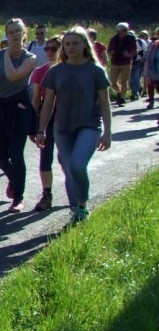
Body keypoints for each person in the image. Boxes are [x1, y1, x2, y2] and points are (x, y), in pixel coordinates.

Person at [36, 26, 112, 225]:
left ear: (85, 45)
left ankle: (82, 205)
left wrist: (108, 133)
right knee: (69, 168)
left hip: (89, 125)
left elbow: (105, 103)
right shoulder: (55, 71)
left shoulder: (96, 71)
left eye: (76, 43)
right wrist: (41, 129)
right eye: (67, 44)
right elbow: (48, 103)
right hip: (62, 128)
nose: (71, 47)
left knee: (78, 165)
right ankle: (75, 211)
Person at [0, 18, 37, 212]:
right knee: (0, 156)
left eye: (18, 31)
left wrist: (8, 54)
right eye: (11, 32)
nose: (15, 35)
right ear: (6, 35)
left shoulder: (30, 57)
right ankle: (13, 179)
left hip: (19, 107)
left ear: (24, 33)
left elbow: (13, 76)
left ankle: (18, 198)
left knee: (16, 154)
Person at [30, 35, 62, 211]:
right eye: (47, 49)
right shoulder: (40, 71)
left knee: (65, 158)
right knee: (45, 156)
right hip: (46, 116)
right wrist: (35, 126)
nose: (49, 52)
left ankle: (74, 191)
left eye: (54, 48)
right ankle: (47, 195)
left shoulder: (68, 69)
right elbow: (36, 100)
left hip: (65, 117)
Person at [106, 22, 137, 106]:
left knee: (124, 81)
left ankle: (122, 98)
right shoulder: (113, 39)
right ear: (119, 31)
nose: (126, 31)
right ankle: (119, 92)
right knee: (112, 82)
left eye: (127, 30)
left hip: (126, 62)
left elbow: (135, 52)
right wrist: (110, 53)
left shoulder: (131, 39)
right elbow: (109, 51)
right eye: (124, 30)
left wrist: (129, 55)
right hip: (115, 62)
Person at [130, 30, 149, 101]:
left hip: (138, 62)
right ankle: (139, 88)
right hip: (129, 62)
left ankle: (135, 94)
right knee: (130, 80)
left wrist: (143, 58)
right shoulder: (126, 43)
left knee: (136, 77)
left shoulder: (140, 42)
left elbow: (145, 50)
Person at [145, 29, 159, 110]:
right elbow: (147, 55)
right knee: (151, 84)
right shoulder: (152, 44)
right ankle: (151, 101)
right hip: (153, 69)